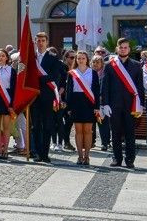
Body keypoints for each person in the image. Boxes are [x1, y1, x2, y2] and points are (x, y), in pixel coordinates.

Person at [101, 38, 144, 168]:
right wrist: (105, 103)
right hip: (114, 105)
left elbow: (140, 87)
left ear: (129, 49)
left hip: (131, 105)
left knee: (130, 133)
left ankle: (130, 159)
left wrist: (141, 105)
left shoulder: (137, 65)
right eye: (121, 47)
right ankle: (116, 158)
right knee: (115, 133)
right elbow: (105, 86)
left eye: (126, 47)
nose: (123, 49)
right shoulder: (109, 65)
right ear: (117, 49)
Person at [31, 32, 65, 163]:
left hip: (47, 95)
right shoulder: (30, 57)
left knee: (47, 125)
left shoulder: (53, 57)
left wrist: (37, 78)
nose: (40, 43)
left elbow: (55, 76)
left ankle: (45, 154)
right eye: (38, 40)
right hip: (34, 96)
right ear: (35, 41)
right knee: (35, 126)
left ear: (46, 42)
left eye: (43, 40)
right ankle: (38, 153)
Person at [65, 50, 99, 166]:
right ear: (76, 60)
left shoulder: (93, 73)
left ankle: (87, 156)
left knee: (88, 131)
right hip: (76, 103)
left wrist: (97, 107)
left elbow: (96, 90)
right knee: (78, 131)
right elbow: (69, 90)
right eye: (78, 58)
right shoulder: (72, 73)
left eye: (83, 58)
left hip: (89, 103)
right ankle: (80, 156)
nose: (80, 60)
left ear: (87, 60)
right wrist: (68, 106)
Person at [92, 54, 111, 151]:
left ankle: (105, 143)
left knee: (103, 124)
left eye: (97, 62)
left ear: (102, 64)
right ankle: (91, 142)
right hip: (91, 103)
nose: (95, 64)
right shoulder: (89, 73)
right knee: (91, 123)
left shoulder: (105, 74)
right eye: (94, 62)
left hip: (102, 103)